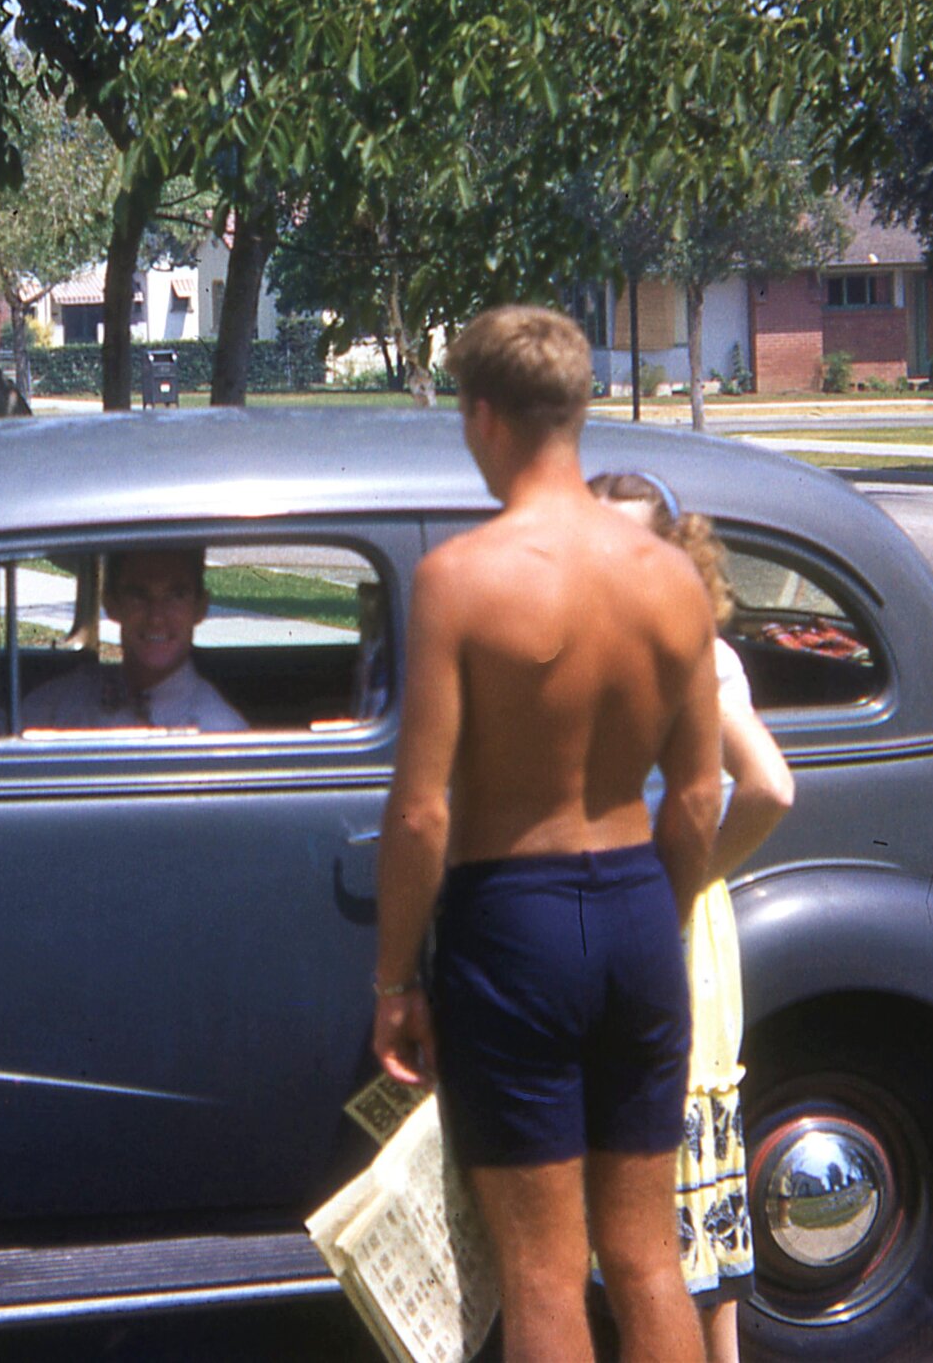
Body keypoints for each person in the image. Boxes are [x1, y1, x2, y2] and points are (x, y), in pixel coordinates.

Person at [374, 305, 720, 1363]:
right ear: (571, 410)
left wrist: (395, 980)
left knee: (540, 1270)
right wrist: (656, 916)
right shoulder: (669, 578)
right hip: (633, 912)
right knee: (648, 1256)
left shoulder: (461, 579)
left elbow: (425, 809)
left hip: (511, 920)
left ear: (482, 417)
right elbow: (699, 796)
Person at [592, 473, 796, 1363]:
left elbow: (768, 788)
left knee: (681, 1211)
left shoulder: (696, 661)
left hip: (664, 932)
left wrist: (676, 883)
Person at [22, 548, 248, 732]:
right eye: (138, 595)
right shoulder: (68, 696)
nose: (156, 617)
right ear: (111, 604)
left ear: (200, 607)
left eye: (175, 595)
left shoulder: (220, 732)